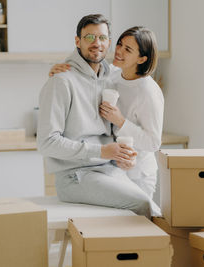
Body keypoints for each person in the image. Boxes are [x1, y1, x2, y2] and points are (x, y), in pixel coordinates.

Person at [37, 14, 154, 218]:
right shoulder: (61, 81)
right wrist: (102, 151)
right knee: (143, 206)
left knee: (156, 210)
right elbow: (46, 143)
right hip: (76, 177)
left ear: (109, 42)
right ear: (77, 41)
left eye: (102, 38)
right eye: (89, 37)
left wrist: (121, 158)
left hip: (108, 170)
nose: (96, 43)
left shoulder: (110, 78)